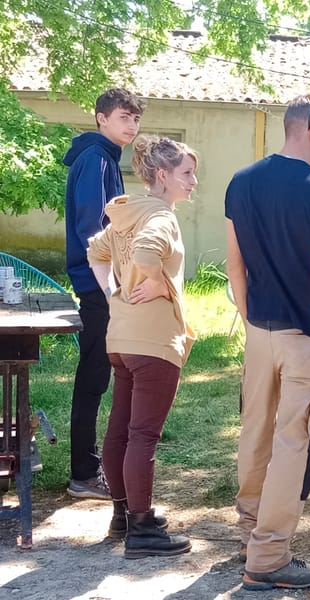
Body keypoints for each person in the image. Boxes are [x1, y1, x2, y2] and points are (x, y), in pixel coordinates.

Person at [225, 92, 310, 590]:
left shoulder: (241, 181)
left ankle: (249, 533)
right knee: (292, 440)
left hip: (260, 331)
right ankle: (269, 556)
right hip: (306, 337)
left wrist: (249, 314)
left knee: (254, 431)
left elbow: (235, 266)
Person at [87, 135, 197, 558]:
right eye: (187, 173)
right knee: (143, 435)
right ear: (163, 175)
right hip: (153, 341)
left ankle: (123, 514)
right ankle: (143, 529)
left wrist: (116, 288)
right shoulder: (161, 217)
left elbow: (95, 251)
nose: (193, 181)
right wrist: (154, 282)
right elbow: (150, 252)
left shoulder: (125, 214)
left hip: (121, 338)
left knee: (120, 430)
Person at [64, 88, 146, 500]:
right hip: (97, 283)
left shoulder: (103, 156)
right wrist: (111, 286)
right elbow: (92, 230)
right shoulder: (96, 159)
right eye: (123, 117)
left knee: (97, 373)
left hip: (100, 280)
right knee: (94, 375)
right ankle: (83, 473)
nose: (130, 125)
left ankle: (88, 465)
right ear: (101, 118)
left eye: (135, 118)